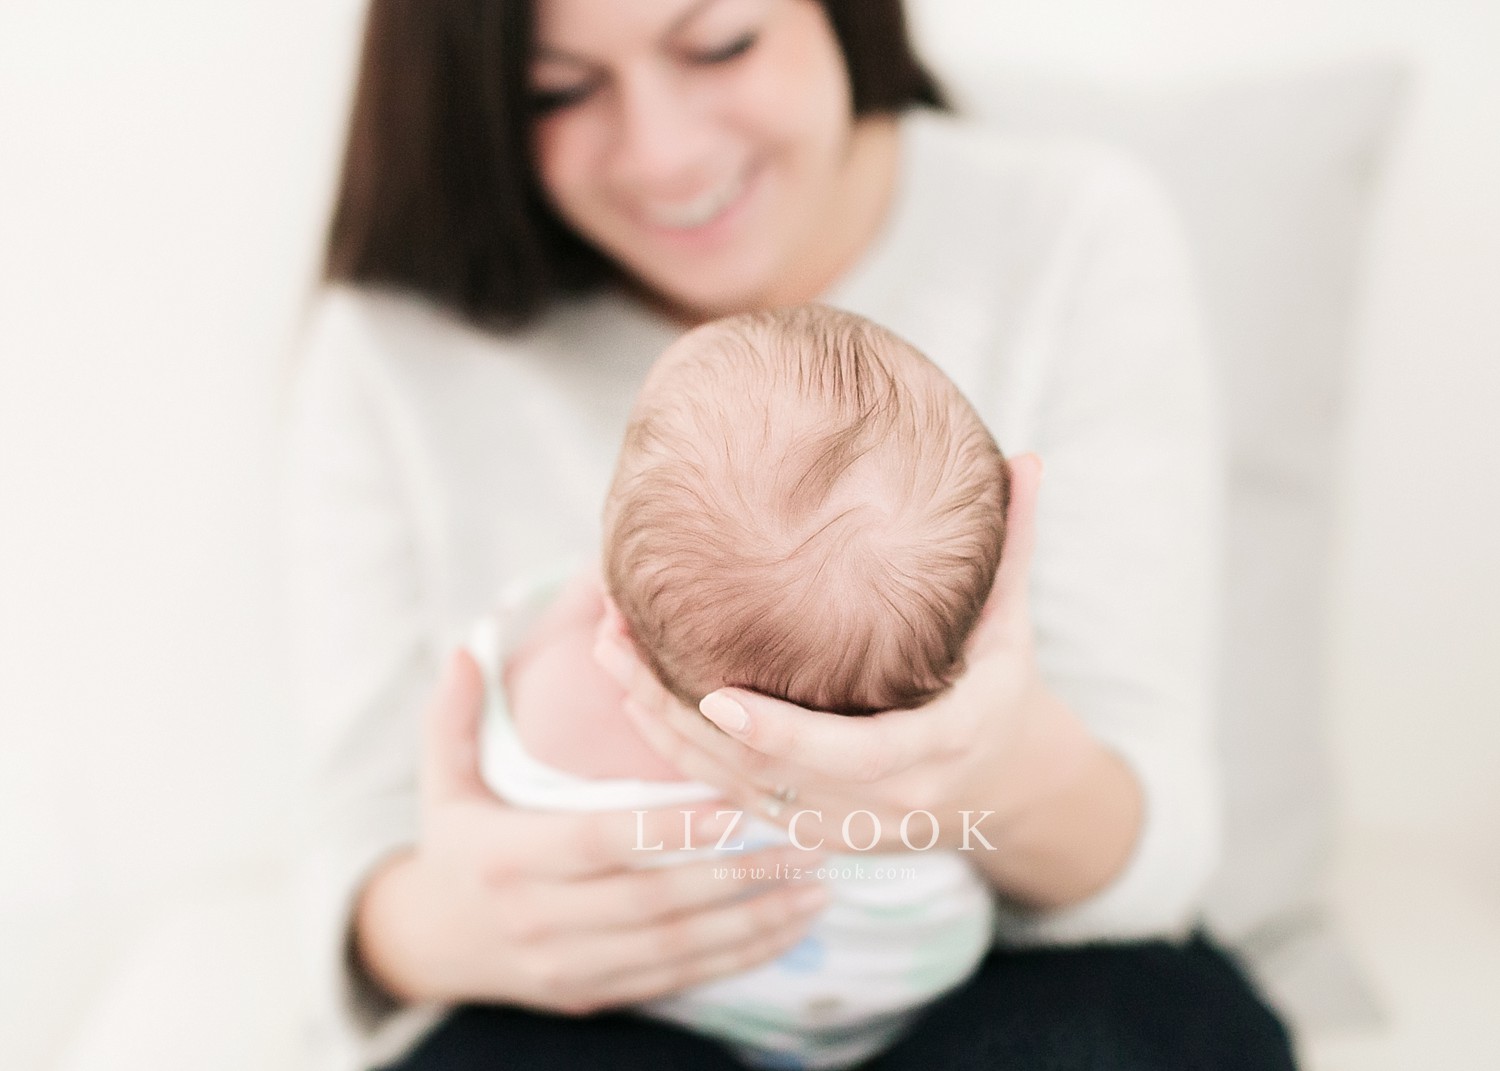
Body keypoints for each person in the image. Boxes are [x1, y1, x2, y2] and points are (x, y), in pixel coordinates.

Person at [282, 0, 1301, 1068]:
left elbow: (1159, 859)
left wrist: (988, 772)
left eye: (721, 43)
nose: (665, 154)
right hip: (595, 1002)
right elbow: (361, 841)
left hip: (1009, 971)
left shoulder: (1064, 230)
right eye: (560, 90)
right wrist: (453, 928)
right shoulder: (393, 340)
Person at [478, 304, 1008, 1068]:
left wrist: (569, 606)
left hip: (655, 999)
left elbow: (495, 726)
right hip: (899, 976)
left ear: (618, 603)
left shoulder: (567, 689)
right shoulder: (924, 755)